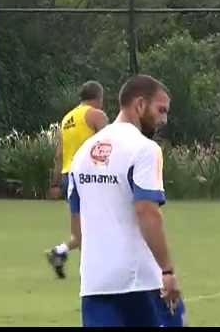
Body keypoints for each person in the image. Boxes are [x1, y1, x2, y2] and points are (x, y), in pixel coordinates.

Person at [67, 75, 186, 327]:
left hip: (95, 283)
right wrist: (167, 271)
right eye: (160, 109)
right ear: (140, 105)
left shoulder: (82, 154)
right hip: (141, 282)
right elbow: (147, 211)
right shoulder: (144, 149)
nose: (164, 119)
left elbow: (77, 226)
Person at [45, 81, 109, 279]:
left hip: (68, 176)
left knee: (79, 233)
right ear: (98, 97)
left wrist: (55, 183)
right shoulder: (96, 115)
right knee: (101, 222)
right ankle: (95, 271)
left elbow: (59, 154)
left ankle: (59, 252)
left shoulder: (67, 118)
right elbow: (110, 144)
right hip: (88, 177)